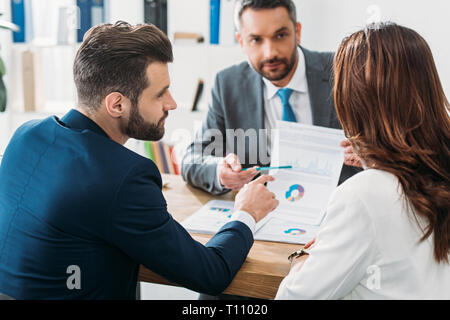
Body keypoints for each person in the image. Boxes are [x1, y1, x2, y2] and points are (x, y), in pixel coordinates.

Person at [0, 22, 279, 300]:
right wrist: (246, 213)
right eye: (160, 93)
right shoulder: (123, 176)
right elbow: (210, 273)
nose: (172, 104)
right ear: (117, 104)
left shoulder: (25, 135)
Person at [276, 22, 450, 299]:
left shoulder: (360, 198)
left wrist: (303, 257)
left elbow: (292, 298)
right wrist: (377, 159)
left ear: (352, 101)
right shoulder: (440, 168)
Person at [181, 0, 362, 196]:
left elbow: (392, 145)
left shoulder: (343, 71)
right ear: (241, 42)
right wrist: (219, 171)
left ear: (297, 32)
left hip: (339, 208)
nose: (270, 53)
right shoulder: (228, 85)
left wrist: (369, 157)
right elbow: (192, 159)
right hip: (265, 209)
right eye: (256, 40)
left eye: (280, 35)